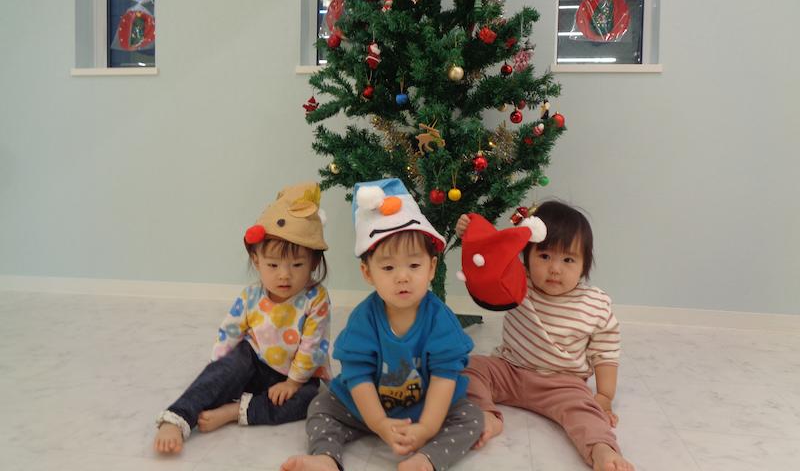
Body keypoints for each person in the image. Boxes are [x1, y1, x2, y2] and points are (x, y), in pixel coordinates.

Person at [281, 178, 482, 471]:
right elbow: (358, 376)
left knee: (471, 416)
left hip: (426, 405)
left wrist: (427, 427)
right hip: (367, 407)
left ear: (431, 268)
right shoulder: (363, 320)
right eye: (388, 267)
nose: (402, 277)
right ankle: (326, 456)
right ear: (368, 273)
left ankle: (427, 459)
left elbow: (443, 377)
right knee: (322, 406)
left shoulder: (441, 321)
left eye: (414, 265)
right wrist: (379, 423)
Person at [154, 182, 333, 455]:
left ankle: (235, 411)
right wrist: (218, 369)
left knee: (309, 398)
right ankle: (177, 418)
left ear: (314, 263)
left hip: (295, 375)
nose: (284, 275)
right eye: (273, 265)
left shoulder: (315, 298)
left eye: (297, 265)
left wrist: (293, 382)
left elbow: (312, 345)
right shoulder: (251, 295)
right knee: (231, 364)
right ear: (257, 260)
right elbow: (230, 332)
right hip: (253, 362)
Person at [457, 201, 635, 471]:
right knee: (467, 367)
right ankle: (485, 414)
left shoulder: (595, 304)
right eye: (544, 256)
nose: (555, 269)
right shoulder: (517, 282)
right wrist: (469, 233)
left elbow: (605, 352)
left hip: (562, 384)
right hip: (509, 370)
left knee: (584, 411)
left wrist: (605, 396)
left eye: (568, 260)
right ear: (526, 256)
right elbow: (489, 258)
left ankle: (601, 450)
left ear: (585, 265)